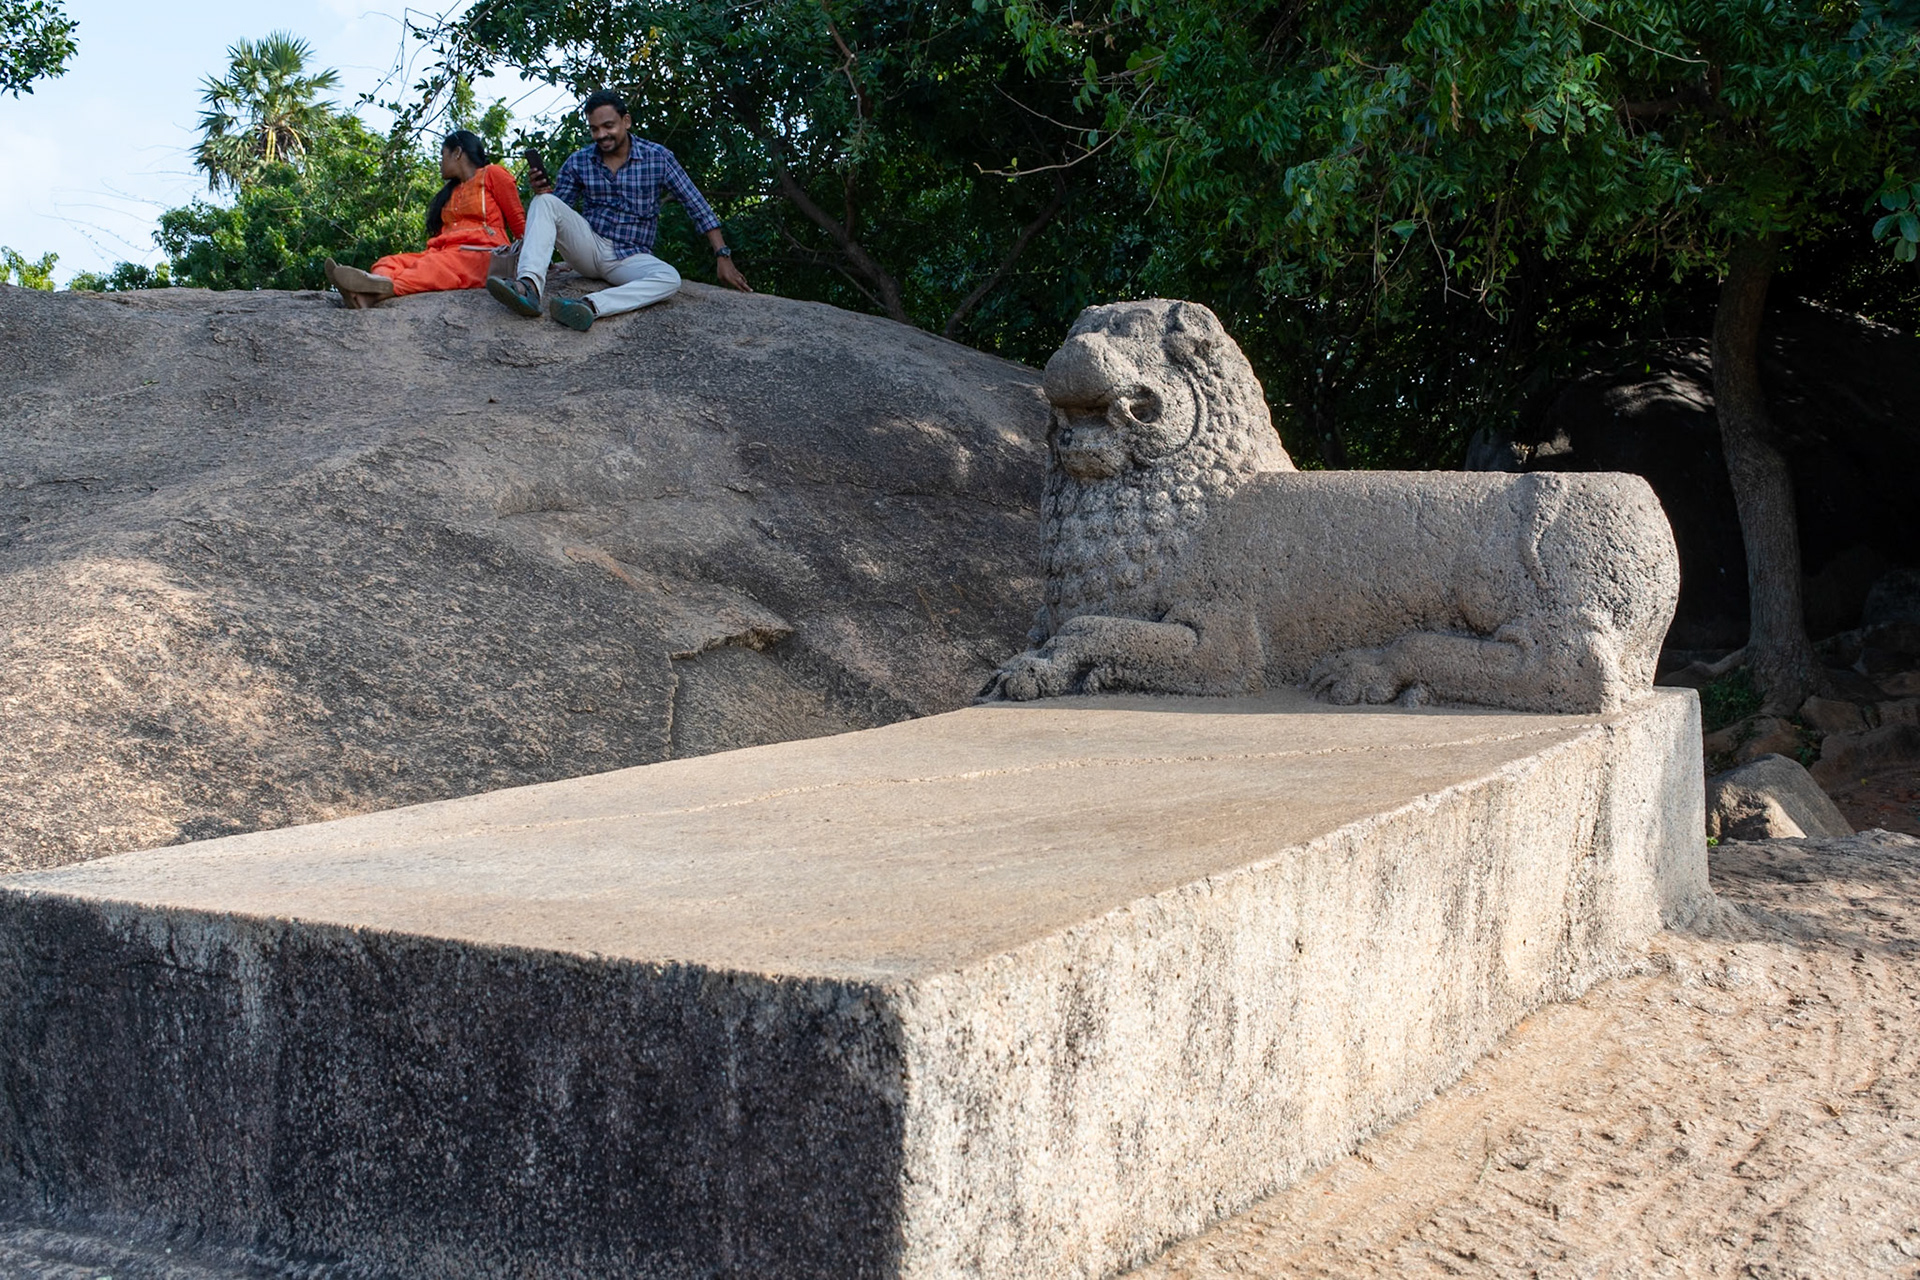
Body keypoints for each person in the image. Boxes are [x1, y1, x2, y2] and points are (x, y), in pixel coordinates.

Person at [487, 89, 751, 331]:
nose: (601, 134)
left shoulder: (657, 157)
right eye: (594, 128)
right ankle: (529, 288)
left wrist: (723, 255)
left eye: (608, 126)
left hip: (630, 257)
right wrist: (543, 193)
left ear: (626, 121)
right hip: (589, 247)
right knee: (544, 202)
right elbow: (558, 211)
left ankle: (589, 305)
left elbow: (696, 204)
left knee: (670, 278)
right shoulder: (579, 161)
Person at [325, 130, 525, 308]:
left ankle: (370, 291)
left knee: (431, 266)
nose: (440, 162)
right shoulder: (450, 193)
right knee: (390, 261)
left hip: (482, 255)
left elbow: (518, 222)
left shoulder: (493, 174)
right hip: (444, 253)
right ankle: (368, 293)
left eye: (442, 155)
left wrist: (534, 266)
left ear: (457, 153)